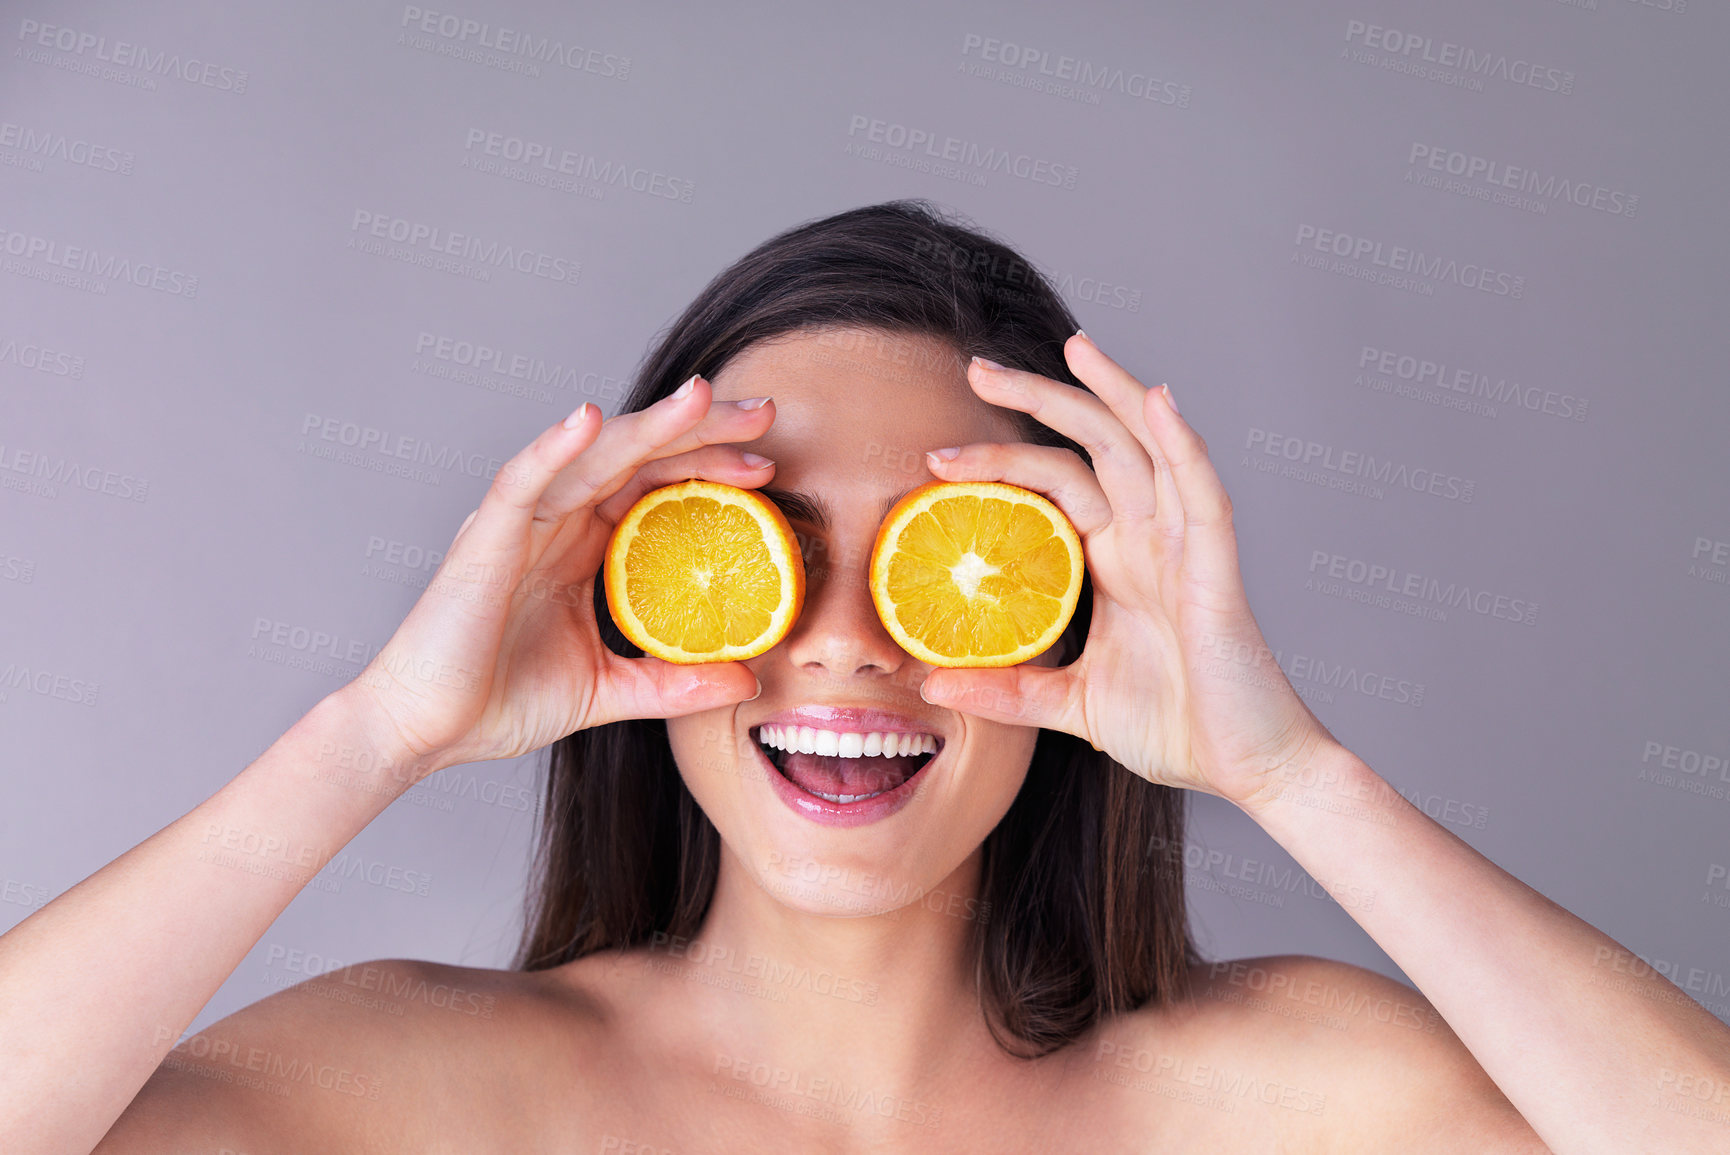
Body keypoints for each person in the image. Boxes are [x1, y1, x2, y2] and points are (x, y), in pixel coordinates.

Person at [3, 201, 1726, 1153]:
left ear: (1071, 609)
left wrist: (1291, 777)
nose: (840, 642)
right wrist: (374, 735)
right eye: (759, 551)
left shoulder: (1274, 1101)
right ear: (627, 583)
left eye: (948, 563)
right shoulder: (430, 1092)